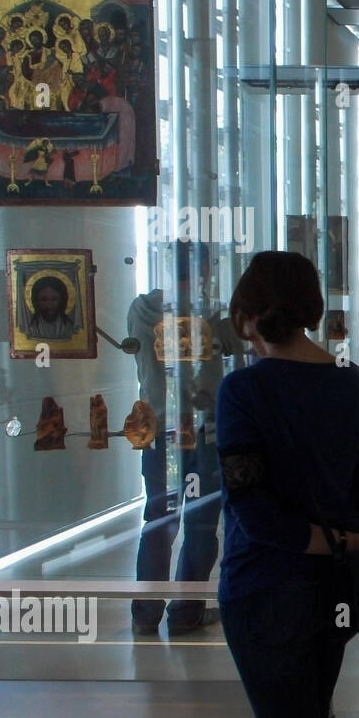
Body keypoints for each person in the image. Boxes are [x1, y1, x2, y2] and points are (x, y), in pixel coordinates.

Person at [216, 251, 359, 718]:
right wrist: (344, 543)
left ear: (248, 315)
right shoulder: (351, 381)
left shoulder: (242, 390)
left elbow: (252, 509)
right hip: (334, 584)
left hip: (264, 585)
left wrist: (328, 540)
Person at [128, 243, 240, 635]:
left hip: (158, 432)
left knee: (157, 521)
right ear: (205, 268)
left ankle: (145, 613)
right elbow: (235, 347)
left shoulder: (140, 309)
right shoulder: (212, 315)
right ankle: (186, 612)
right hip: (202, 432)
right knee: (200, 526)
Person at [24, 276, 78, 340]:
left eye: (54, 299)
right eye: (44, 300)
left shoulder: (69, 327)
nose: (49, 305)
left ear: (61, 300)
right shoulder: (32, 328)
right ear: (36, 301)